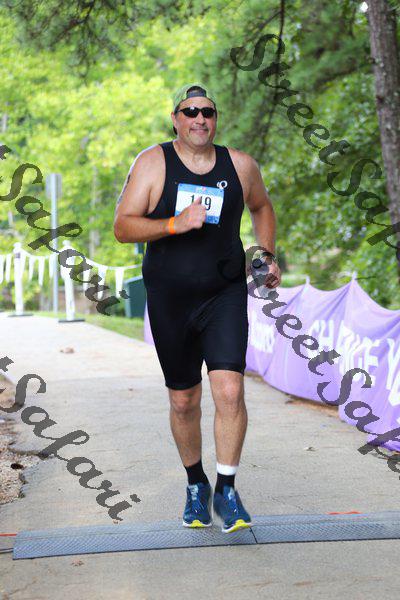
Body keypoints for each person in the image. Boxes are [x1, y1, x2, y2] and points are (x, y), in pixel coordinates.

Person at [114, 83, 281, 533]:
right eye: (190, 112)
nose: (199, 119)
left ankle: (227, 488)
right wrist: (173, 223)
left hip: (224, 293)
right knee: (184, 399)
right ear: (176, 119)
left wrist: (264, 254)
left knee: (230, 391)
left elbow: (262, 207)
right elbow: (123, 227)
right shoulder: (152, 163)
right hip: (170, 298)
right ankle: (195, 484)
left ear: (215, 118)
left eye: (207, 111)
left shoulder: (240, 165)